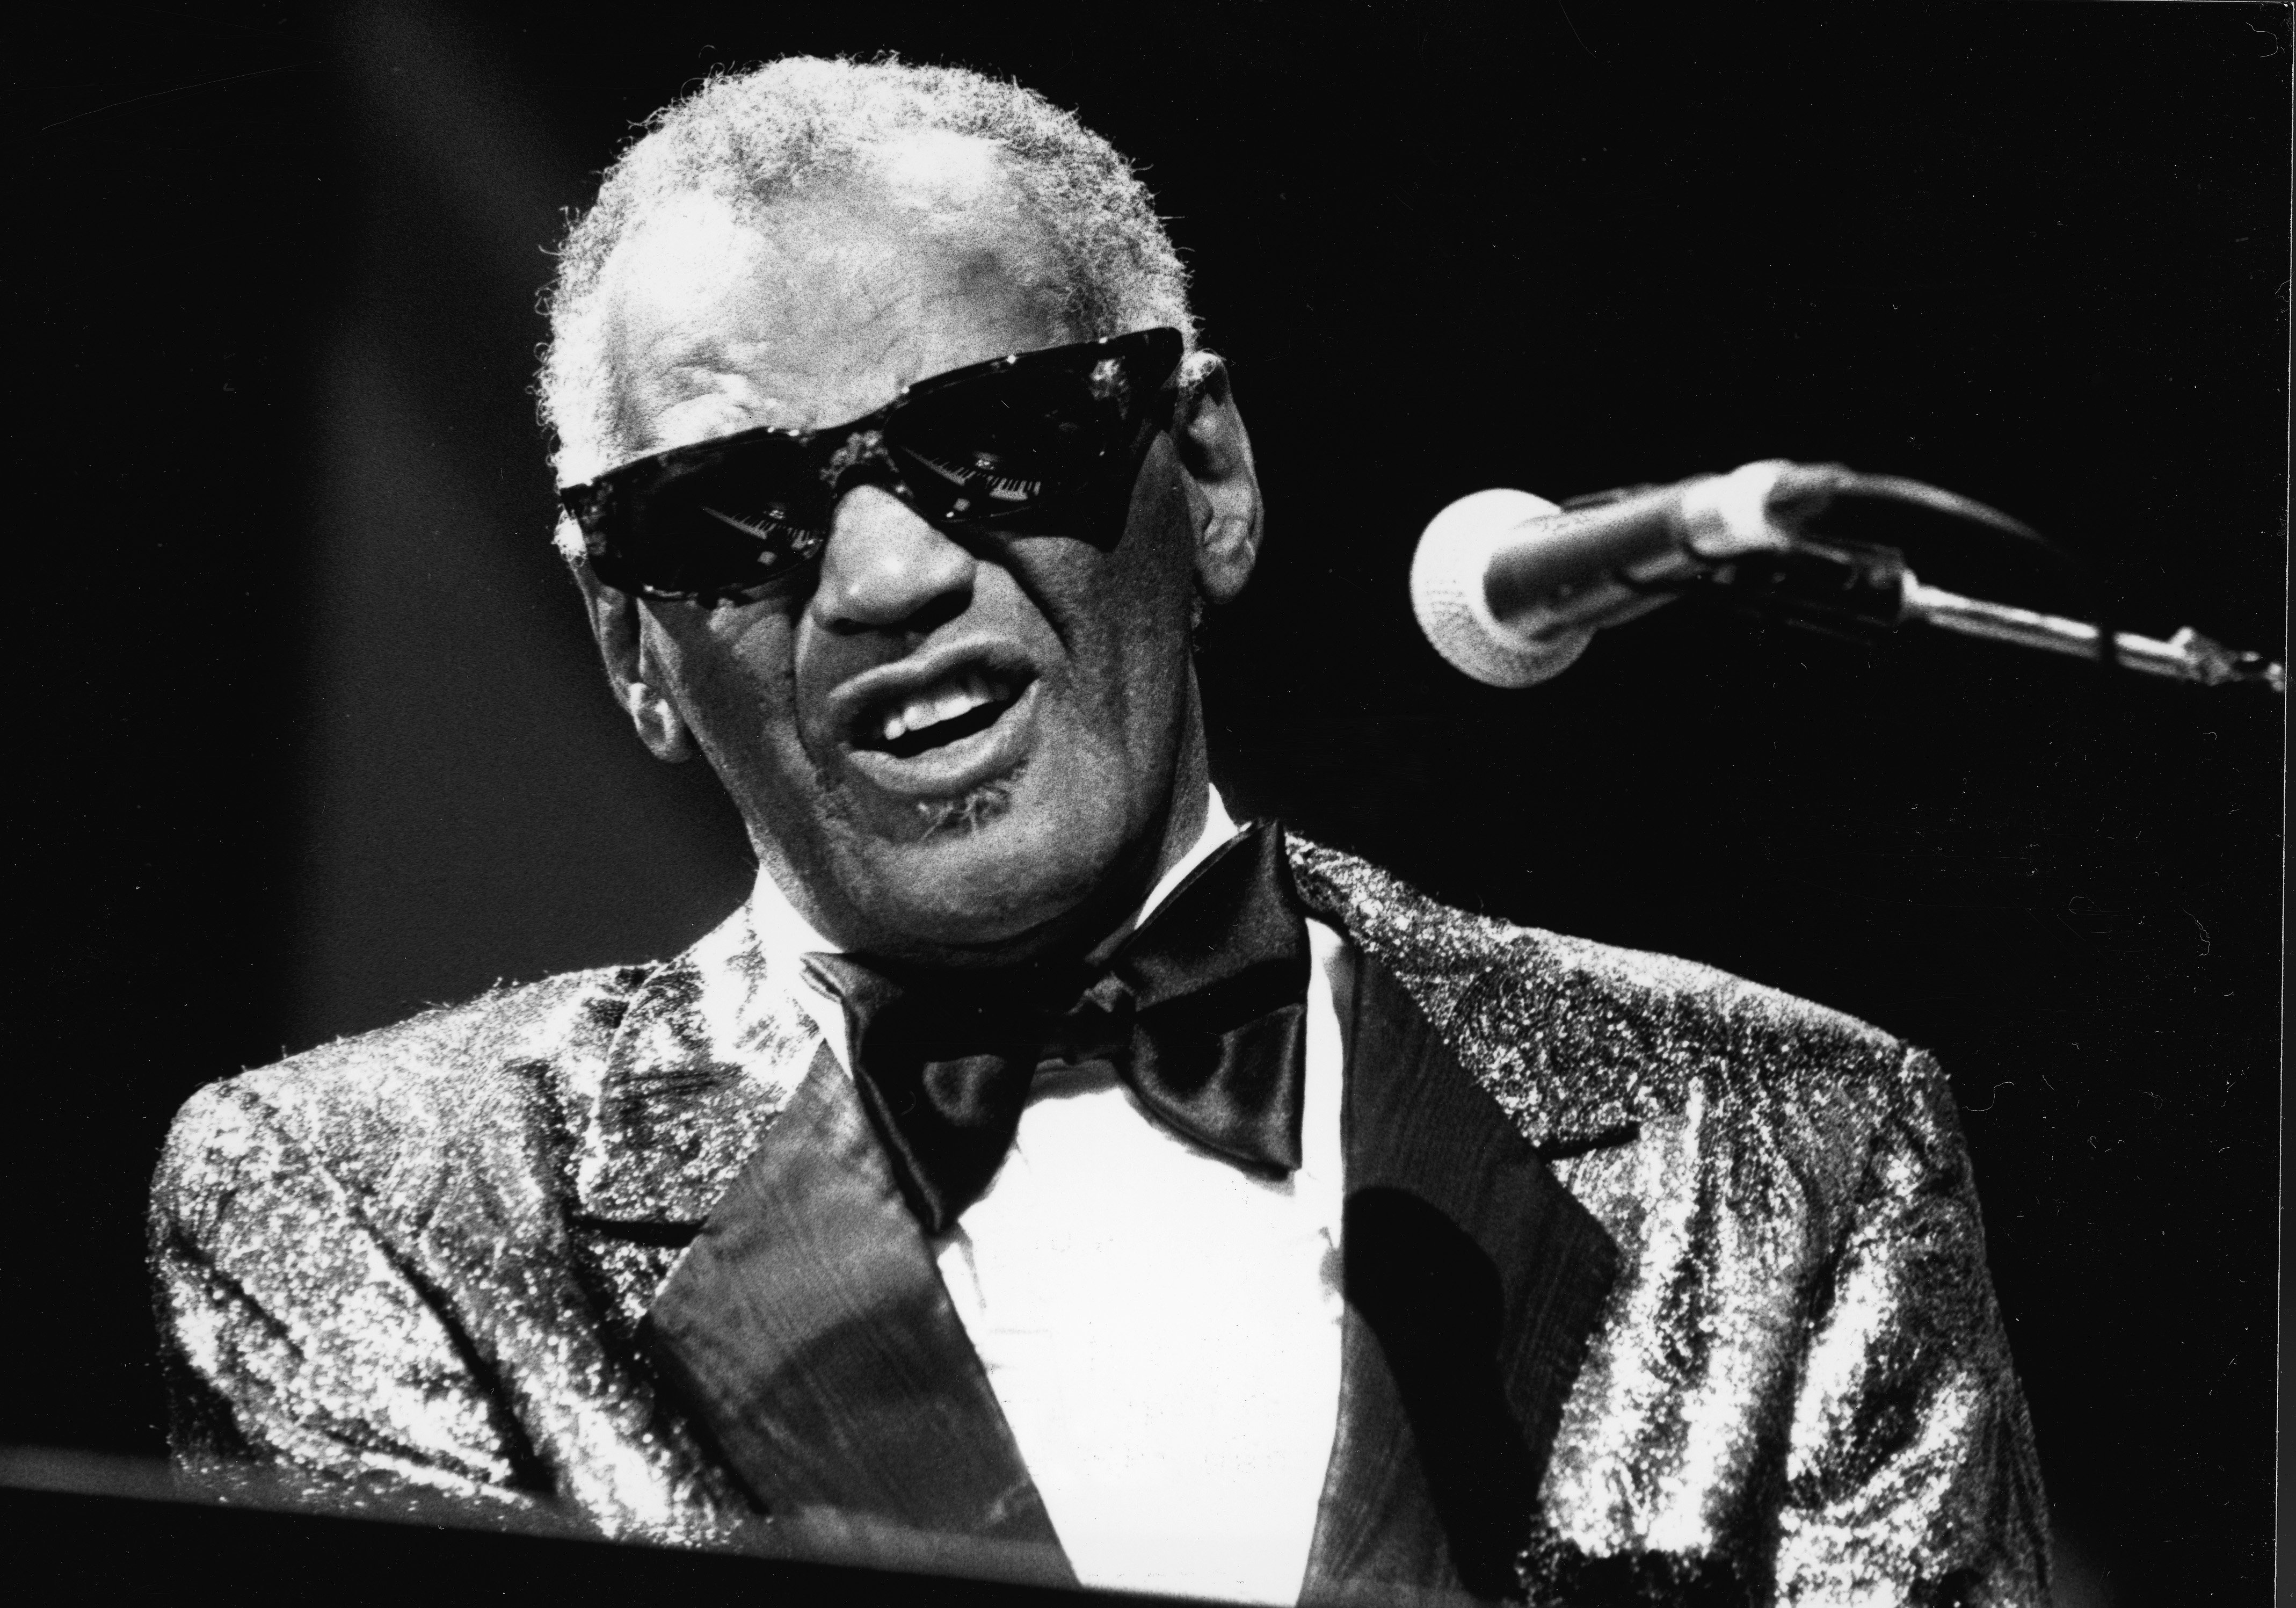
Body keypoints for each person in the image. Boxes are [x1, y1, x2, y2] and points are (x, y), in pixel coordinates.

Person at [149, 56, 2049, 1605]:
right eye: (732, 512)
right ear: (628, 645)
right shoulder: (376, 1211)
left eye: (989, 438)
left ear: (1204, 475)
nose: (886, 574)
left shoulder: (1783, 1141)